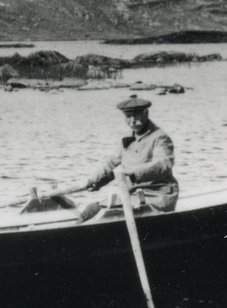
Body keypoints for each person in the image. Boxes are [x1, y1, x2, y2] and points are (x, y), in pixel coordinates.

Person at [77, 95, 179, 223]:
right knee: (90, 210)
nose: (132, 121)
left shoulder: (160, 138)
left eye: (136, 116)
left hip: (157, 194)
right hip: (134, 195)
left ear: (146, 113)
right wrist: (93, 180)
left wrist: (132, 172)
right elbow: (112, 163)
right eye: (128, 116)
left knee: (105, 214)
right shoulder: (127, 138)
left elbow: (163, 164)